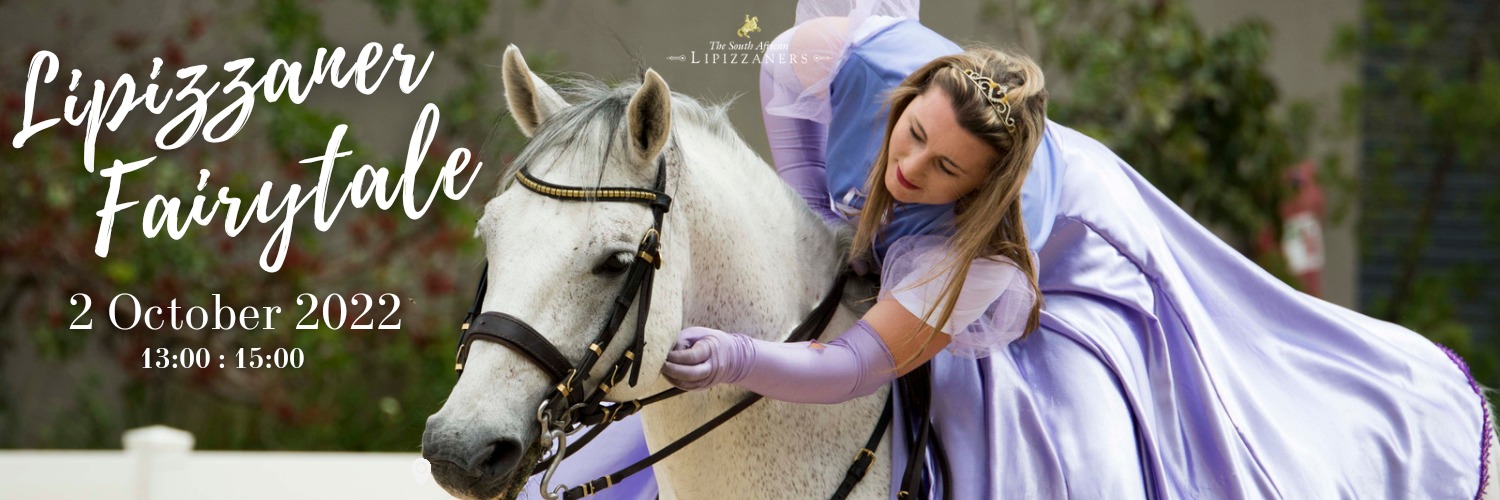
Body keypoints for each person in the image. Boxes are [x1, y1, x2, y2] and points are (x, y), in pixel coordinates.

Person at [533, 0, 1493, 497]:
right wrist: (813, 231)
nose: (910, 166)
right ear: (908, 98)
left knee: (1081, 440)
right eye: (911, 136)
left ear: (975, 187)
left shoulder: (969, 250)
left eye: (941, 167)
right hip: (973, 188)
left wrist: (742, 357)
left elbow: (857, 365)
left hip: (1079, 246)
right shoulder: (860, 68)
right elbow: (785, 72)